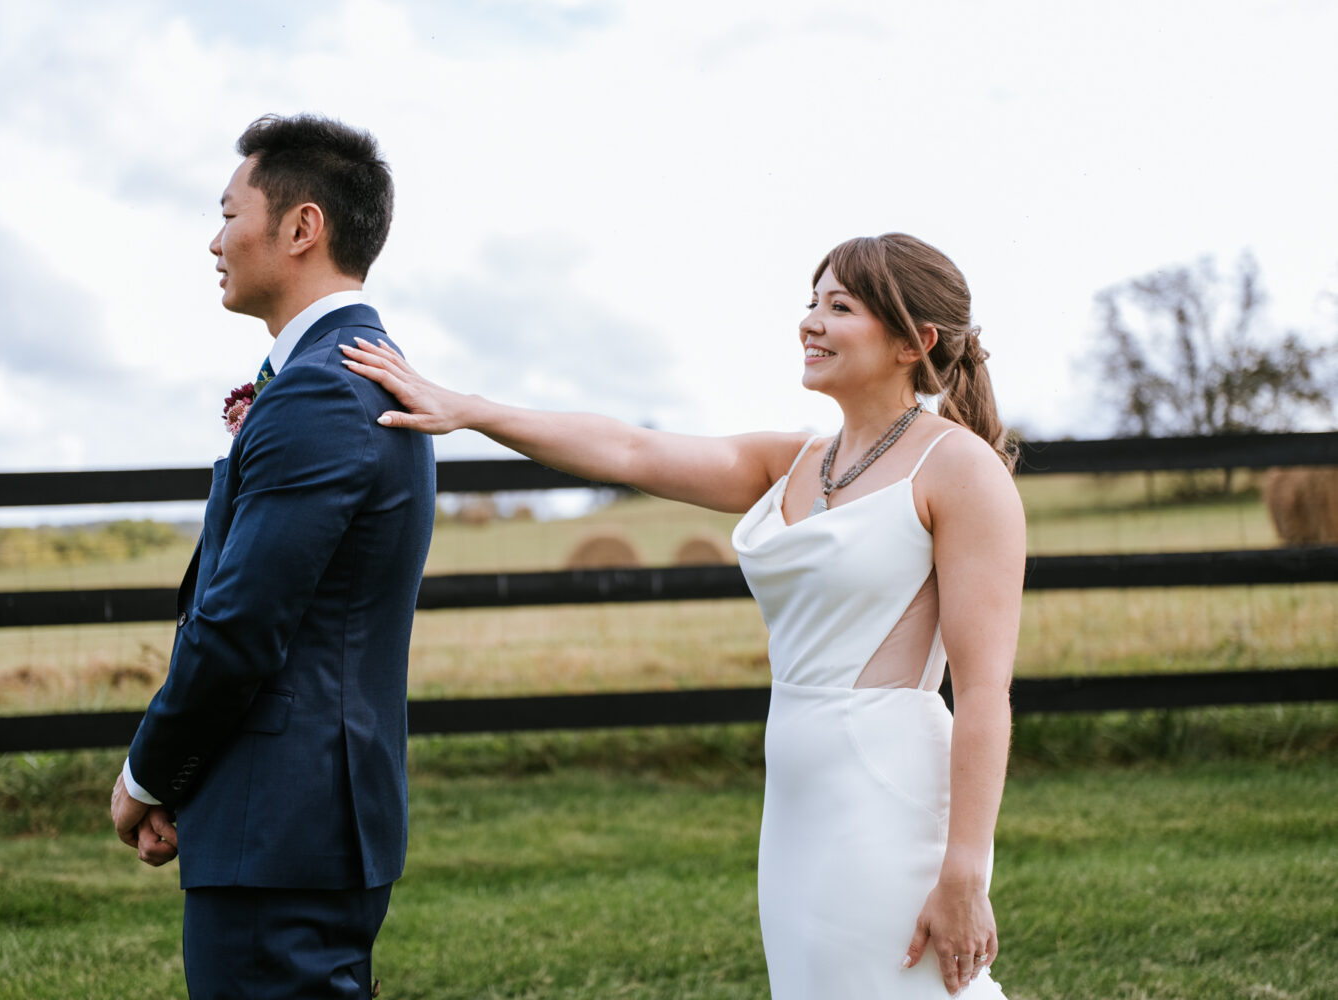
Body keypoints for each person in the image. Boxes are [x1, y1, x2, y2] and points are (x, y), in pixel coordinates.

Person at [342, 232, 1024, 998]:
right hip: (798, 790)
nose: (811, 322)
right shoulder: (797, 461)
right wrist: (470, 410)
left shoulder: (960, 470)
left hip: (890, 789)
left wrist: (965, 869)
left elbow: (984, 693)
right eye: (811, 302)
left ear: (915, 341)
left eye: (840, 307)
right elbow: (630, 451)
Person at [109, 113, 435, 999]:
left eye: (228, 213)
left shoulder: (324, 390)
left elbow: (241, 625)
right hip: (295, 817)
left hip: (282, 831)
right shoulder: (348, 375)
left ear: (301, 228)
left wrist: (146, 774)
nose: (214, 240)